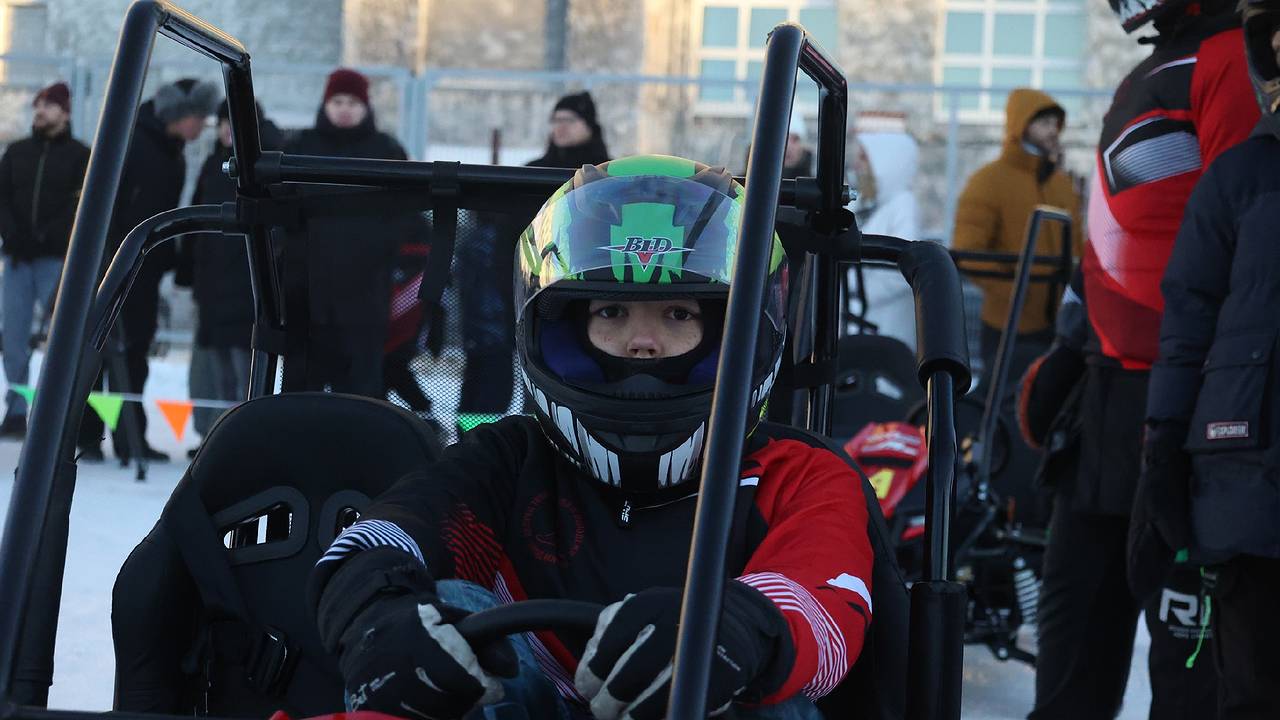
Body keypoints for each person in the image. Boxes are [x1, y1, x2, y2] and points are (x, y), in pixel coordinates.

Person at [308, 156, 873, 720]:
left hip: (703, 704)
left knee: (766, 697)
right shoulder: (509, 462)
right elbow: (381, 539)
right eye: (612, 311)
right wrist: (378, 620)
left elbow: (821, 608)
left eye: (678, 314)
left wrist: (734, 631)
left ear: (735, 334)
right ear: (563, 331)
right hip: (523, 701)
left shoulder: (800, 474)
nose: (642, 343)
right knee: (449, 614)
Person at [1027, 0, 1259, 717]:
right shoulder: (1151, 69)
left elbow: (1247, 233)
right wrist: (1072, 345)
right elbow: (1118, 229)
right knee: (1068, 662)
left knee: (1191, 681)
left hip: (1185, 405)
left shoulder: (1231, 59)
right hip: (1104, 406)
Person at [1133, 3, 1280, 715]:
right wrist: (1163, 444)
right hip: (1248, 484)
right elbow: (1189, 318)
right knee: (1252, 692)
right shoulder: (1240, 176)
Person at [454, 91, 611, 437]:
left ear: (589, 125)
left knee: (556, 382)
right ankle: (477, 441)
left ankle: (557, 440)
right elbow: (502, 234)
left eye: (569, 120)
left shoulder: (607, 177)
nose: (561, 127)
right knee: (491, 382)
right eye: (556, 120)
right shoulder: (530, 172)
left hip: (580, 294)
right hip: (518, 287)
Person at [79, 78, 218, 463]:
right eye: (198, 117)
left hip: (143, 268)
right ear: (179, 115)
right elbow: (109, 205)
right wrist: (109, 259)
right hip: (115, 266)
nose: (202, 126)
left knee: (134, 351)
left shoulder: (170, 151)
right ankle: (88, 434)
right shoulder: (136, 144)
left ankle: (128, 438)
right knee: (104, 351)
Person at [285, 68, 414, 397]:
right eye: (338, 101)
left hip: (365, 292)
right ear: (325, 104)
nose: (345, 109)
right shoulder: (299, 146)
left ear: (366, 107)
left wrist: (379, 252)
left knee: (361, 386)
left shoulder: (386, 150)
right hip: (306, 291)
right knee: (302, 386)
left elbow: (404, 213)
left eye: (353, 103)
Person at [952, 88, 1084, 388]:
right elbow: (968, 250)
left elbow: (1078, 246)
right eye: (1044, 123)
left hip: (1060, 324)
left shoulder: (1061, 184)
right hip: (1007, 325)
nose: (1053, 130)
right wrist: (1015, 293)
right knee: (1002, 399)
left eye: (1056, 123)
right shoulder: (988, 181)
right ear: (1020, 125)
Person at [175, 101, 283, 456]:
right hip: (212, 285)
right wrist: (187, 271)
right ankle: (216, 438)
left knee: (245, 369)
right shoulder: (213, 165)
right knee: (215, 370)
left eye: (233, 122)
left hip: (247, 284)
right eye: (222, 122)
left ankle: (243, 439)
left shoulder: (266, 167)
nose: (226, 129)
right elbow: (197, 221)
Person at [0, 82, 89, 438]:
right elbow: (2, 198)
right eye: (38, 105)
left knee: (62, 335)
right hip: (18, 259)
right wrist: (14, 235)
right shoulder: (17, 152)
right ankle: (16, 409)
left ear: (64, 113)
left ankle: (56, 413)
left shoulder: (80, 156)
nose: (40, 111)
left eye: (48, 106)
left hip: (56, 260)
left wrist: (48, 236)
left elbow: (79, 205)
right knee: (14, 335)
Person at [847, 115, 921, 349]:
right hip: (859, 319)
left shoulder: (903, 206)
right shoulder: (865, 203)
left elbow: (898, 274)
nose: (856, 166)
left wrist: (851, 289)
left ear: (885, 163)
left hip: (884, 325)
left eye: (864, 158)